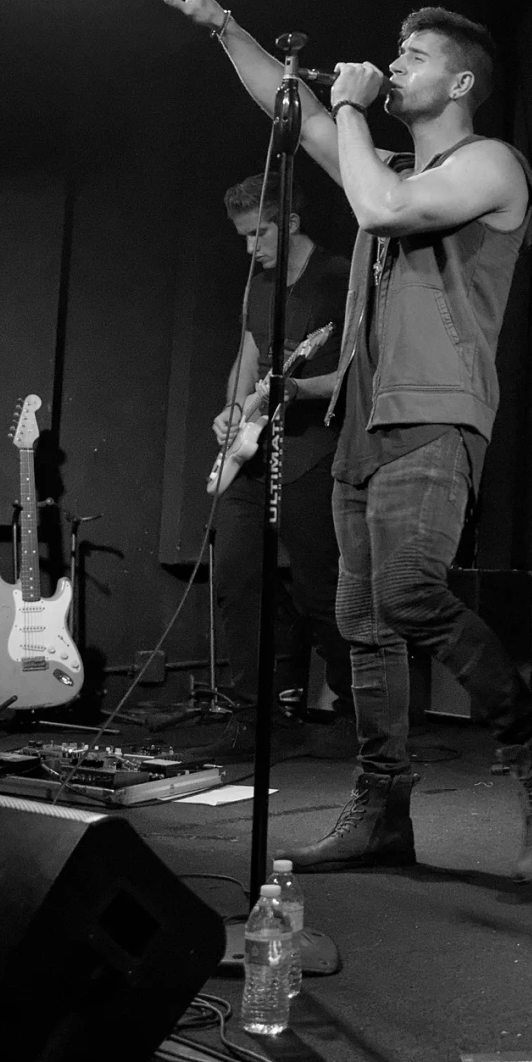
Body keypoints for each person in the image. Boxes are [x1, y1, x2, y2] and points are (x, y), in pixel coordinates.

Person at [145, 0, 532, 881]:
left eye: (416, 55)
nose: (397, 62)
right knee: (362, 620)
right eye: (396, 50)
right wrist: (222, 21)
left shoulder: (492, 166)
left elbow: (383, 206)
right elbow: (299, 112)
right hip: (362, 417)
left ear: (461, 79)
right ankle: (381, 808)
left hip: (437, 414)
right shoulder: (379, 153)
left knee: (409, 594)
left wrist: (349, 106)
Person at [208, 175, 347, 737]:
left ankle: (356, 707)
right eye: (241, 237)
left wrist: (300, 389)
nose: (251, 249)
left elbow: (360, 372)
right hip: (257, 447)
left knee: (320, 587)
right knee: (237, 576)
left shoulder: (337, 279)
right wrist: (233, 411)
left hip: (314, 449)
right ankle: (252, 711)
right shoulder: (259, 286)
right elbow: (248, 352)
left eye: (258, 234)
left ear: (288, 221)